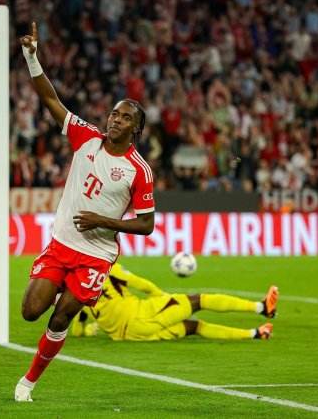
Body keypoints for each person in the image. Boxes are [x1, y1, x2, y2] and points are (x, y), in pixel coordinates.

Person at [15, 22, 155, 402]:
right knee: (31, 311)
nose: (115, 120)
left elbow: (147, 224)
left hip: (96, 255)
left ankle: (28, 383)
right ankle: (56, 283)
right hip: (62, 243)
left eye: (125, 118)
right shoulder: (86, 137)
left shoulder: (138, 170)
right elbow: (50, 100)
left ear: (136, 128)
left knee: (60, 318)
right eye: (113, 114)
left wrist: (102, 222)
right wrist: (31, 57)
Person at [70, 263, 278, 341]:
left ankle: (255, 334)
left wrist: (90, 329)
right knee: (199, 300)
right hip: (142, 314)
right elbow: (142, 285)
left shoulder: (79, 294)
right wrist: (162, 297)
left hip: (131, 336)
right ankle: (261, 307)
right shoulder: (106, 269)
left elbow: (77, 332)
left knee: (194, 327)